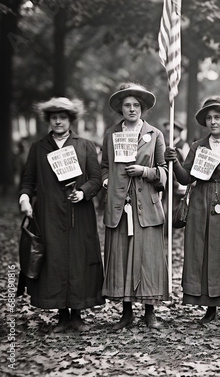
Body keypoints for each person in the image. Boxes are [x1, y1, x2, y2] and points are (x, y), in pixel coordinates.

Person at [19, 97, 104, 333]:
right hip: (49, 214)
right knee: (54, 261)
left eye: (63, 117)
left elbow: (96, 180)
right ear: (48, 120)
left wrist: (84, 192)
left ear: (70, 120)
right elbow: (28, 180)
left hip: (79, 214)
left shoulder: (85, 145)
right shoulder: (39, 147)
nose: (58, 121)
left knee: (78, 261)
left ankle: (77, 315)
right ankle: (62, 315)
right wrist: (24, 199)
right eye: (54, 117)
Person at [165, 96, 220, 325]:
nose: (213, 122)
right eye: (209, 118)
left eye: (218, 117)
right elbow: (186, 177)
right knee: (204, 252)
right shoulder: (197, 146)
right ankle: (210, 308)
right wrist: (174, 162)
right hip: (202, 204)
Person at [101, 83, 168, 329]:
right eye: (127, 105)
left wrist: (145, 171)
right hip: (120, 205)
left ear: (142, 109)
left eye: (136, 105)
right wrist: (107, 180)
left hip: (147, 206)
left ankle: (149, 312)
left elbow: (164, 171)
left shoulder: (155, 134)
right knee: (121, 257)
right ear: (121, 108)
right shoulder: (111, 134)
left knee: (148, 258)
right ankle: (126, 312)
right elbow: (105, 167)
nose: (132, 109)